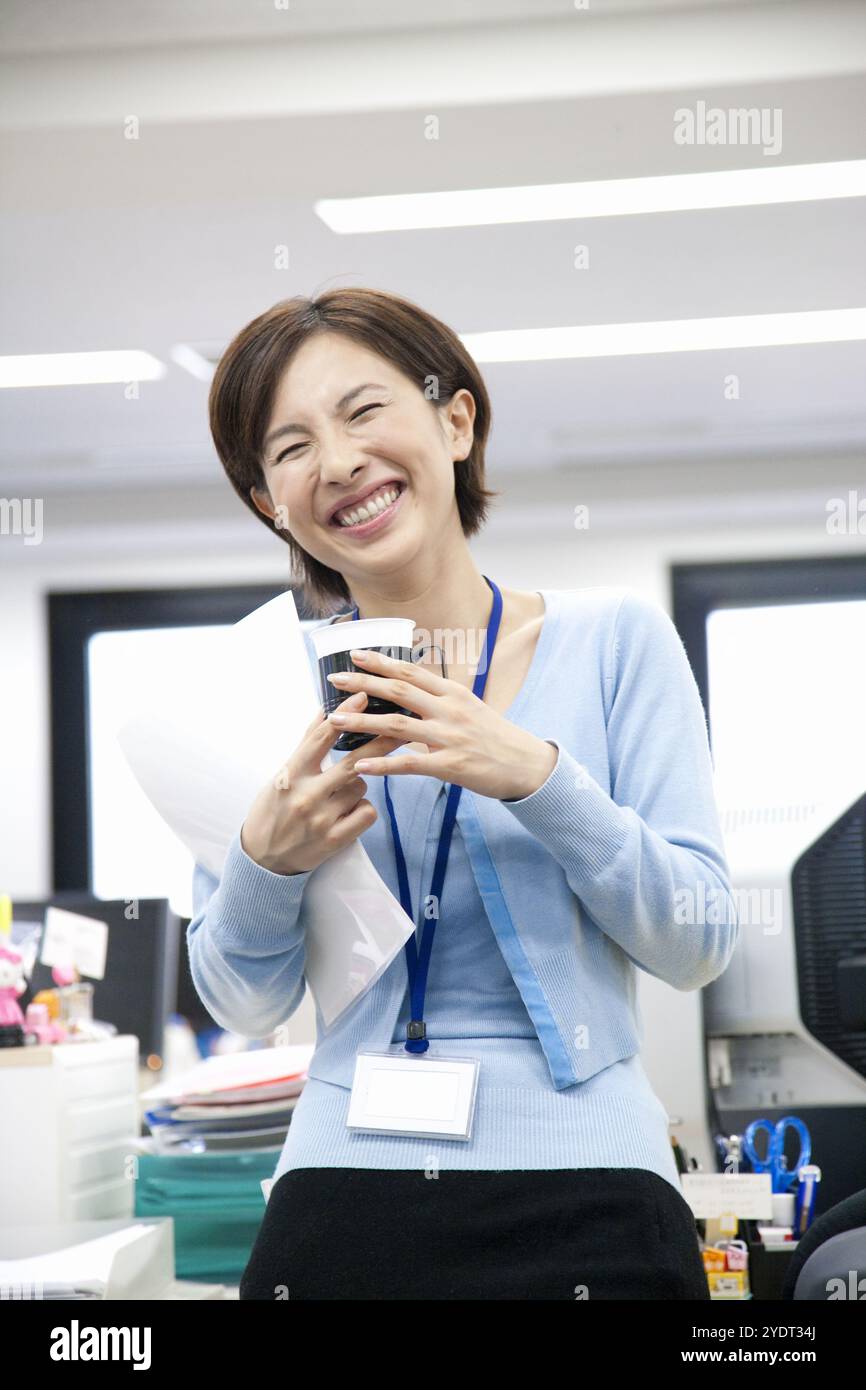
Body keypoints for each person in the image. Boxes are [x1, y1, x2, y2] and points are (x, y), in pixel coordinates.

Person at [187, 287, 738, 1300]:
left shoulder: (615, 641)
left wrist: (536, 776)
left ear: (454, 419)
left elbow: (695, 941)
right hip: (342, 1185)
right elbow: (242, 998)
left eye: (362, 412)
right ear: (270, 501)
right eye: (290, 446)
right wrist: (264, 863)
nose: (339, 461)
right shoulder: (253, 682)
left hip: (592, 1185)